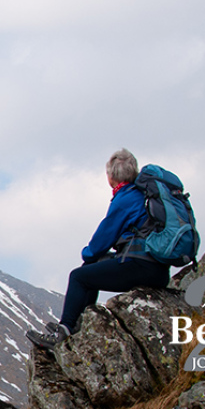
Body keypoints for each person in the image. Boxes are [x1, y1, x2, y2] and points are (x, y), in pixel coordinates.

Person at [26, 148, 171, 349]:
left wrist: (87, 254)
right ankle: (76, 326)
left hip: (140, 266)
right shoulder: (143, 195)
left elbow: (101, 242)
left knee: (79, 276)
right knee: (92, 269)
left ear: (110, 176)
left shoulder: (125, 198)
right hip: (158, 270)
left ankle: (65, 330)